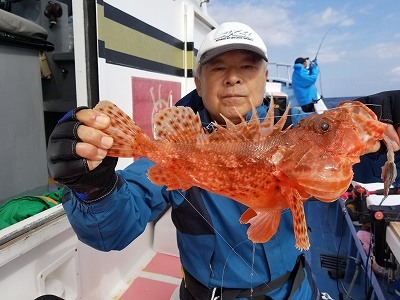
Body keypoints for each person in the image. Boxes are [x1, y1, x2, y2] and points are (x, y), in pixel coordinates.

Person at [46, 22, 399, 300]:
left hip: (296, 291)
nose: (233, 77)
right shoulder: (181, 146)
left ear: (265, 79)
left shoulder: (295, 133)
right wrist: (95, 187)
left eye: (247, 66)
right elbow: (115, 229)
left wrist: (380, 137)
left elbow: (352, 169)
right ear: (199, 83)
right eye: (218, 68)